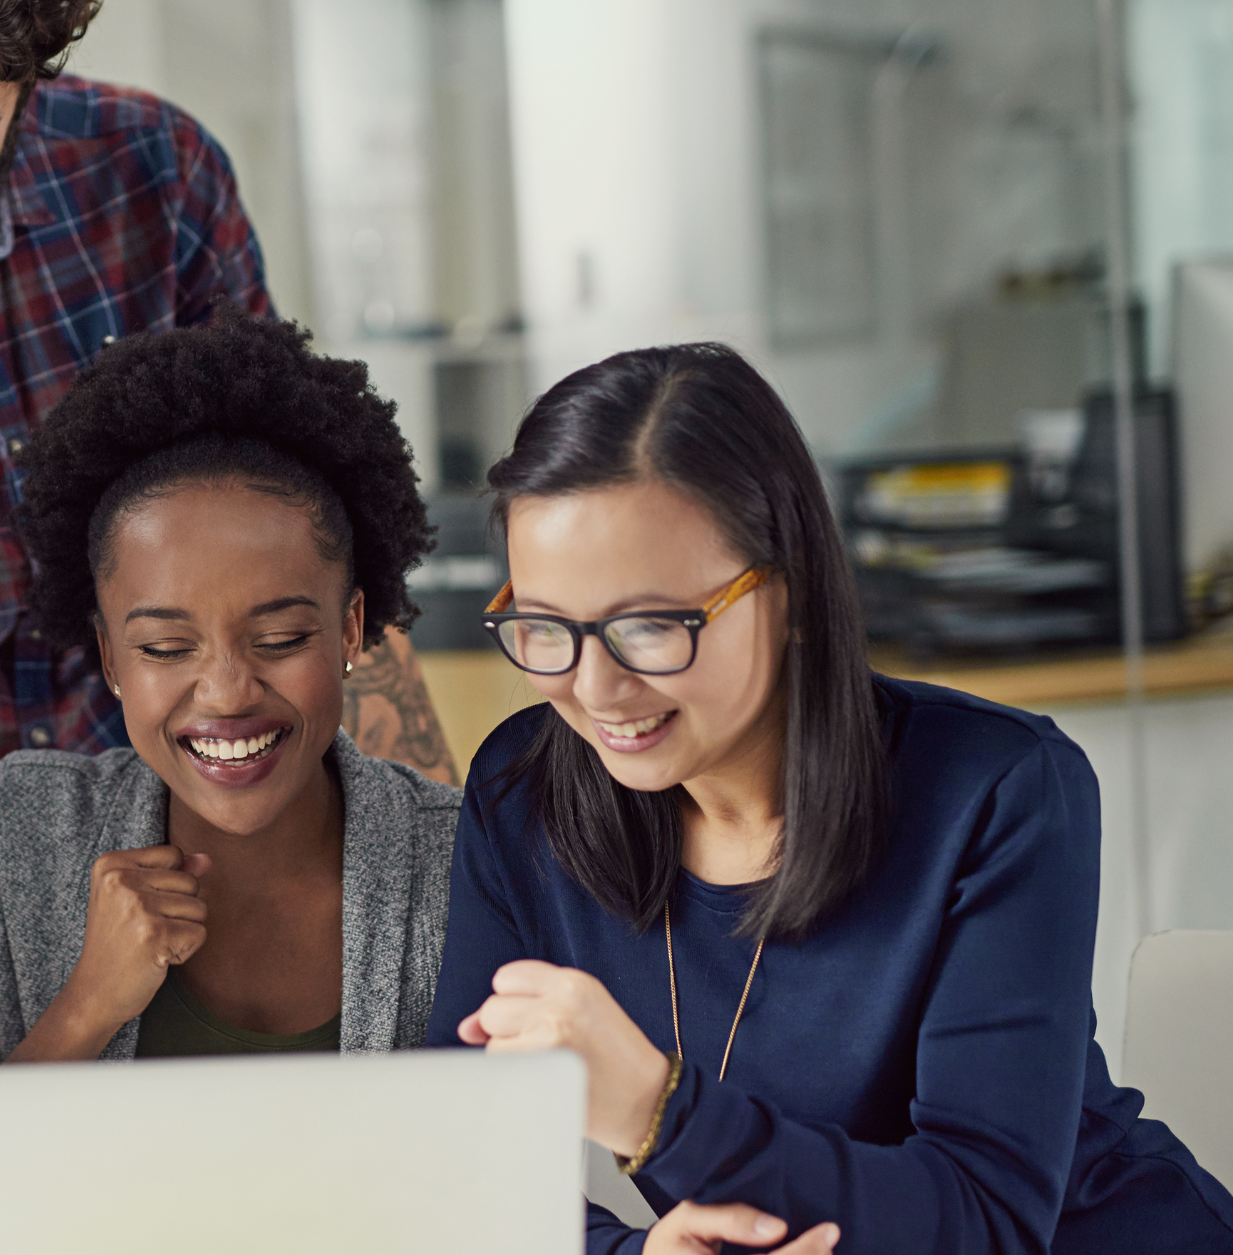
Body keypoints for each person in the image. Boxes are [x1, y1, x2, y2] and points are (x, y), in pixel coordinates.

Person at [0, 0, 458, 1070]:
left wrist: (419, 850)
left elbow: (299, 514)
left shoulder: (152, 173)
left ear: (31, 76)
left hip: (178, 813)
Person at [427, 344, 1233, 1254]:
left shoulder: (999, 790)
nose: (595, 688)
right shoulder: (521, 794)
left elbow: (990, 1220)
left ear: (793, 591)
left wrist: (661, 1116)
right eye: (544, 627)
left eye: (651, 626)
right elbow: (466, 1156)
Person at [0, 313, 458, 1066]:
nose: (227, 693)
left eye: (281, 640)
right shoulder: (27, 836)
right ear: (110, 657)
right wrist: (85, 1008)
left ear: (353, 628)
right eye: (166, 647)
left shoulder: (460, 856)